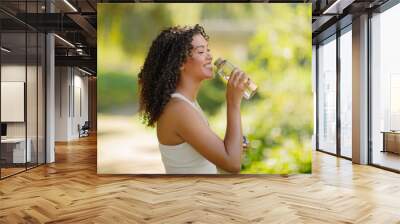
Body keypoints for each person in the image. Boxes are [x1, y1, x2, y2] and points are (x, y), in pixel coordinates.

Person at [138, 24, 249, 174]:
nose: (210, 56)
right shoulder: (179, 109)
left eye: (208, 50)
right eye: (201, 51)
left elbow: (220, 159)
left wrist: (234, 146)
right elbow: (232, 164)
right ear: (180, 62)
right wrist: (233, 102)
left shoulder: (187, 103)